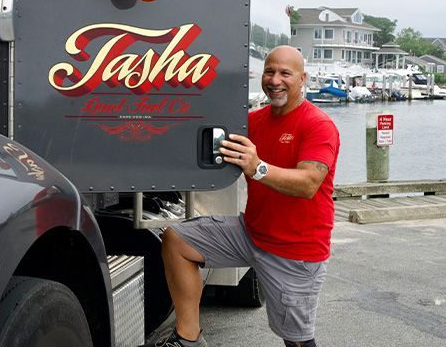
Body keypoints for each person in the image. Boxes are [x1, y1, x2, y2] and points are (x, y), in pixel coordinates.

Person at [140, 45, 340, 347]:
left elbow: (309, 182)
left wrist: (257, 167)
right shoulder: (255, 121)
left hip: (295, 251)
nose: (275, 80)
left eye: (285, 73)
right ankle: (189, 339)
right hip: (251, 233)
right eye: (270, 71)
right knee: (176, 241)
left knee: (296, 341)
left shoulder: (317, 124)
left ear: (303, 79)